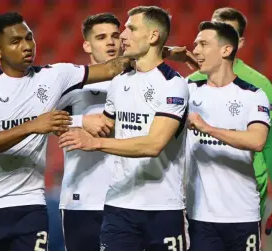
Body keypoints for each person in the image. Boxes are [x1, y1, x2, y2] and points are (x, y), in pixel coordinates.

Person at [0, 12, 132, 251]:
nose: (26, 46)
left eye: (29, 38)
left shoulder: (54, 76)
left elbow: (113, 67)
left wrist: (158, 51)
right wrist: (33, 125)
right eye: (15, 42)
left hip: (31, 201)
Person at [59, 6, 189, 251]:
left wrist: (96, 142)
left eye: (129, 29)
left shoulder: (173, 85)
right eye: (125, 29)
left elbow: (153, 144)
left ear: (152, 36)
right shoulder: (117, 82)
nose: (122, 37)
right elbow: (104, 126)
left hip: (161, 206)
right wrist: (80, 123)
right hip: (115, 205)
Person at [186, 7, 272, 238]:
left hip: (247, 186)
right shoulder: (190, 83)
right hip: (201, 192)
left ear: (237, 43)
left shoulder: (259, 86)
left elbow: (270, 144)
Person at [185, 21, 270, 251]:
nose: (196, 50)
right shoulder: (188, 90)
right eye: (195, 45)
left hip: (242, 214)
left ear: (226, 50)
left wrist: (208, 128)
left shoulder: (253, 95)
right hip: (199, 214)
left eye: (203, 44)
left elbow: (257, 140)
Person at [57, 13, 121, 251]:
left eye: (115, 36)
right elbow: (42, 122)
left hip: (127, 200)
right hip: (81, 200)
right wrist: (80, 120)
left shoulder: (137, 84)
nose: (111, 42)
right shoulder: (71, 84)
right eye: (102, 37)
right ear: (87, 44)